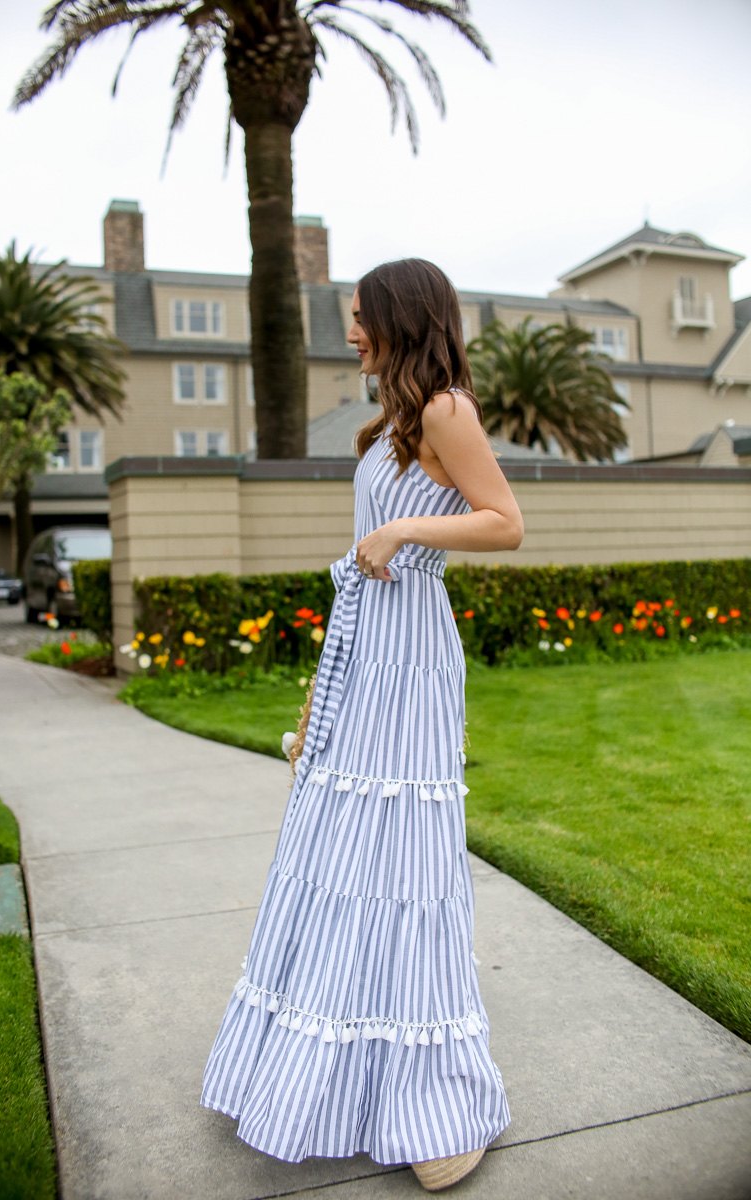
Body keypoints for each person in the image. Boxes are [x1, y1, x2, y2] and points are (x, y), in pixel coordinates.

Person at [201, 258, 524, 1192]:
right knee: (344, 859)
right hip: (365, 651)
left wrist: (399, 535)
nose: (349, 332)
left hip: (413, 660)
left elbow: (505, 521)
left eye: (359, 318)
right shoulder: (390, 422)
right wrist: (317, 704)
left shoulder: (449, 412)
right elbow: (360, 579)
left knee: (402, 862)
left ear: (398, 318)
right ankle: (349, 1077)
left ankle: (432, 1100)